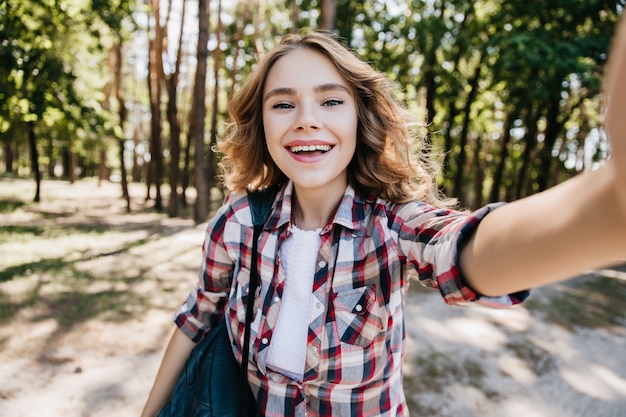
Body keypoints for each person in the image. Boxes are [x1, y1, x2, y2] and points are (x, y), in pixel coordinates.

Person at [141, 19, 626, 417]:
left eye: (331, 101)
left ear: (359, 117)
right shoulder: (240, 221)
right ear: (261, 123)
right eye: (283, 103)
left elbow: (463, 249)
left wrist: (605, 210)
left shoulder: (391, 224)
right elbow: (196, 319)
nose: (306, 119)